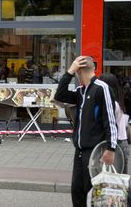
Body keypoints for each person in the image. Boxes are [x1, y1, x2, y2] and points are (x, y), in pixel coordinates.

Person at [54, 56, 117, 206]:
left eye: (75, 70)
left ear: (80, 70)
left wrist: (111, 149)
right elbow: (60, 95)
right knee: (77, 190)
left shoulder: (102, 88)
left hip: (95, 152)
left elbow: (110, 120)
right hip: (80, 151)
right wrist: (68, 73)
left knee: (94, 194)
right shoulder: (80, 91)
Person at [99, 73, 129, 174]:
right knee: (121, 179)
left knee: (114, 180)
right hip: (122, 142)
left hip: (116, 144)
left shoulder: (112, 104)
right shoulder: (119, 102)